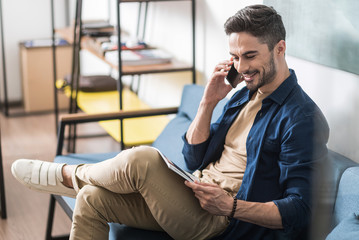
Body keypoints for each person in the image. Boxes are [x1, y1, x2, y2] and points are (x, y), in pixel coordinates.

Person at [11, 4, 329, 240]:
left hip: (223, 222)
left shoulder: (301, 119)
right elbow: (194, 157)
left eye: (249, 55)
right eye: (234, 56)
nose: (240, 67)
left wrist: (230, 207)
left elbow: (300, 210)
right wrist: (208, 102)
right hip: (194, 193)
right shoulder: (244, 94)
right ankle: (77, 182)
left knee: (142, 158)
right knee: (92, 199)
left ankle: (67, 175)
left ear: (280, 49)